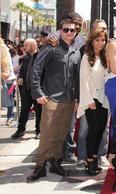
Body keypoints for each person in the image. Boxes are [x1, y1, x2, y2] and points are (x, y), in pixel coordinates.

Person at [27, 18, 81, 182]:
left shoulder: (76, 52)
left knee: (60, 134)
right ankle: (40, 166)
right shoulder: (51, 46)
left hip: (69, 100)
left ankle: (55, 162)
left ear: (76, 32)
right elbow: (37, 67)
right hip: (51, 98)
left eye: (72, 30)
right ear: (60, 30)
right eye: (66, 30)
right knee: (47, 134)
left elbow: (77, 78)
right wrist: (37, 92)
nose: (69, 32)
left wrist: (77, 98)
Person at [76, 19, 110, 170]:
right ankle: (89, 160)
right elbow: (83, 80)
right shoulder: (86, 57)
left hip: (104, 99)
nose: (101, 43)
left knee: (101, 130)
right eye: (97, 40)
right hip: (92, 99)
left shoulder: (104, 57)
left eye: (103, 40)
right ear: (92, 41)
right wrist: (88, 99)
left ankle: (95, 159)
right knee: (93, 130)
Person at [11, 39, 42, 139]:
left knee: (39, 111)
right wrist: (20, 77)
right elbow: (22, 71)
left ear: (33, 45)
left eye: (26, 46)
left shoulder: (41, 57)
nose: (24, 48)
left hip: (37, 90)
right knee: (24, 110)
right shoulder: (26, 58)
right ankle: (21, 130)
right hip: (26, 89)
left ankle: (39, 131)